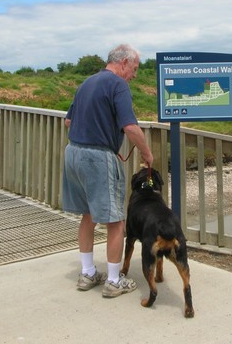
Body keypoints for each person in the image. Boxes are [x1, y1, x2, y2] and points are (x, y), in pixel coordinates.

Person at [62, 43, 153, 298]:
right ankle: (113, 280)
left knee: (88, 214)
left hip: (73, 152)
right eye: (134, 69)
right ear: (123, 62)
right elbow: (131, 128)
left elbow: (68, 120)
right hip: (98, 157)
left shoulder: (86, 82)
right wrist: (147, 153)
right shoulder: (118, 85)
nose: (134, 75)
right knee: (116, 220)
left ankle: (88, 272)